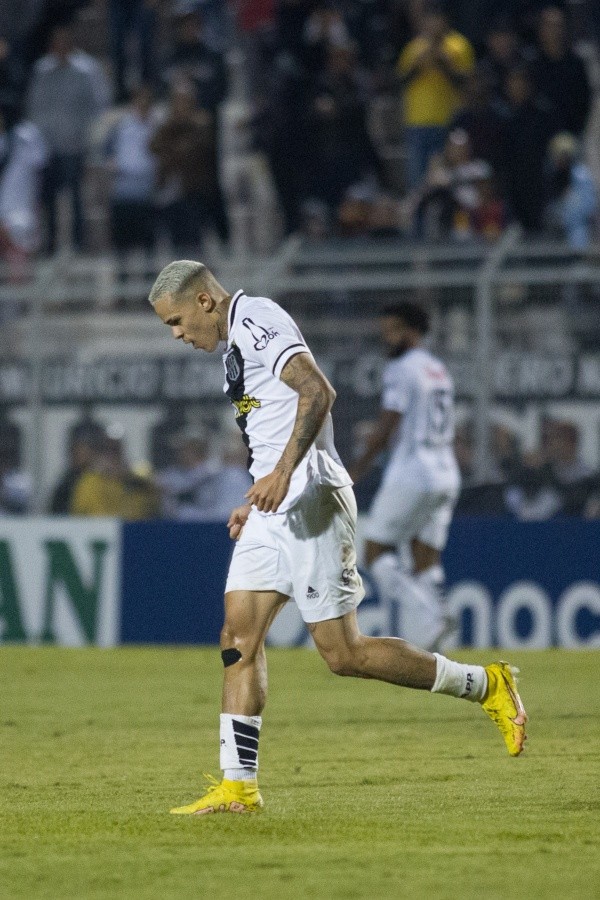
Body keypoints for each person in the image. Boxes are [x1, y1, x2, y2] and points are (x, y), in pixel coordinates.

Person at [149, 260, 528, 816]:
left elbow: (317, 392)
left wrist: (281, 474)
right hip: (274, 503)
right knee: (238, 637)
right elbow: (271, 421)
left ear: (204, 302)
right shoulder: (236, 344)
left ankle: (485, 684)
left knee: (344, 654)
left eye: (177, 321)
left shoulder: (257, 319)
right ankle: (238, 788)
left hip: (312, 497)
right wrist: (256, 491)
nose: (179, 335)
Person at [350, 302, 461, 651]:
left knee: (374, 551)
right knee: (425, 555)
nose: (387, 338)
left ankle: (430, 615)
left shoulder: (400, 369)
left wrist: (360, 466)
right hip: (446, 471)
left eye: (393, 330)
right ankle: (438, 625)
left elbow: (388, 422)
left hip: (413, 470)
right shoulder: (438, 369)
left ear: (412, 331)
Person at [396, 1, 474, 190]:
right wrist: (417, 65)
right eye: (430, 19)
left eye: (437, 19)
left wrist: (444, 63)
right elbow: (400, 82)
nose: (434, 24)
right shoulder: (415, 47)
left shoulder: (458, 45)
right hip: (417, 124)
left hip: (449, 122)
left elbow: (467, 83)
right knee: (418, 183)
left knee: (447, 181)